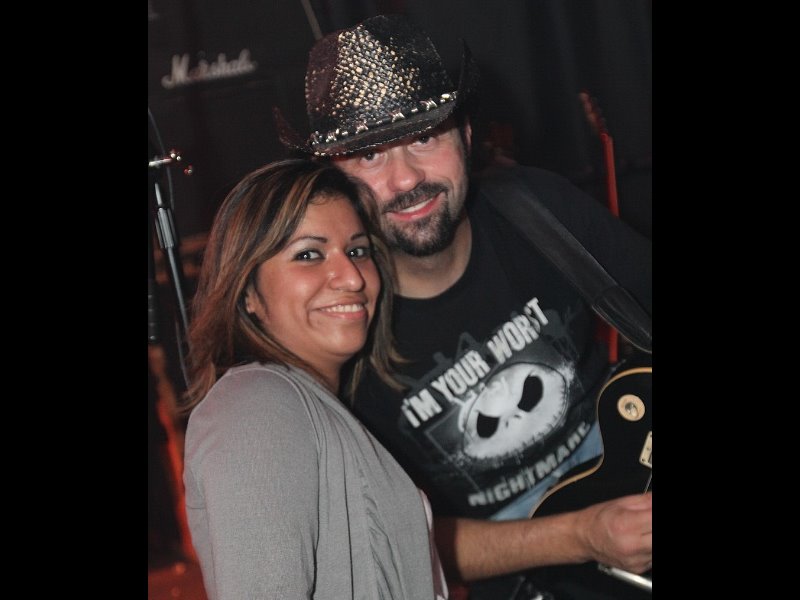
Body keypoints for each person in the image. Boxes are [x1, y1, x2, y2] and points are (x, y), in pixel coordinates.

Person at [274, 14, 652, 600]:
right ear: (332, 182)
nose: (406, 180)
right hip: (524, 571)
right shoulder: (338, 326)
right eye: (369, 155)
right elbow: (398, 546)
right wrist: (584, 535)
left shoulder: (538, 210)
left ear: (467, 138)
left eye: (425, 137)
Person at [180, 158, 449, 600]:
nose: (352, 277)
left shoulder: (309, 408)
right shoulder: (255, 406)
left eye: (358, 251)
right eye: (309, 255)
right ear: (247, 294)